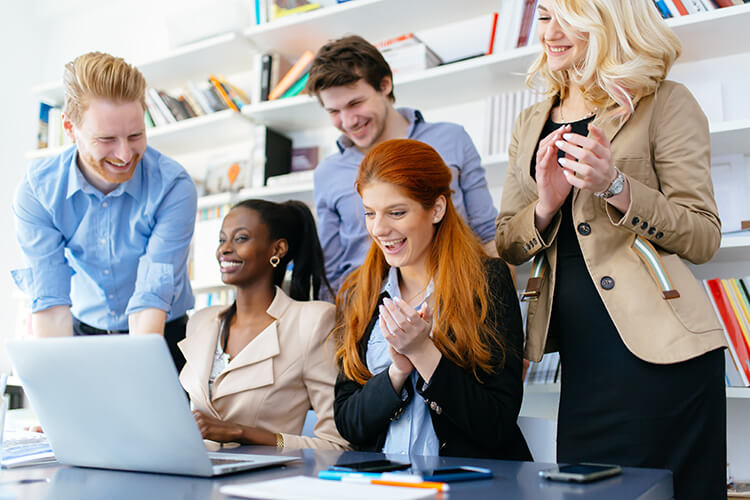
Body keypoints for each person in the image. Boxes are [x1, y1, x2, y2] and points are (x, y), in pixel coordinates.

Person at [494, 1, 726, 498]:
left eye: (566, 19)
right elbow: (508, 243)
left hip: (661, 358)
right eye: (543, 18)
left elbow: (703, 235)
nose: (549, 33)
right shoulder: (530, 121)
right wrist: (546, 205)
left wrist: (616, 185)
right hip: (579, 360)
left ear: (606, 22)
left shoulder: (664, 101)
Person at [333, 138, 531, 461]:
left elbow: (496, 423)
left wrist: (424, 353)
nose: (379, 229)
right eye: (370, 213)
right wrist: (396, 374)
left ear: (437, 209)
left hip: (467, 488)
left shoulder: (487, 281)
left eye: (396, 212)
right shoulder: (362, 290)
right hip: (383, 489)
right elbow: (348, 423)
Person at [12, 52, 196, 371]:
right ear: (70, 128)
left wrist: (142, 385)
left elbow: (152, 297)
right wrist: (59, 400)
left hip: (162, 331)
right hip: (84, 332)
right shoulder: (38, 192)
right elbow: (52, 304)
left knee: (160, 418)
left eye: (136, 135)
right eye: (106, 139)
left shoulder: (173, 186)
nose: (125, 154)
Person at [306, 35, 499, 299]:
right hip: (366, 311)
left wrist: (500, 309)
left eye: (355, 103)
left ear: (385, 84)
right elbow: (331, 272)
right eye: (333, 112)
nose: (348, 121)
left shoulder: (451, 139)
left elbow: (487, 235)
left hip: (456, 299)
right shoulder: (327, 173)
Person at [178, 199, 348, 451]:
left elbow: (336, 445)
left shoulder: (312, 322)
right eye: (222, 239)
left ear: (277, 249)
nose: (224, 249)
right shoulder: (201, 322)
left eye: (241, 238)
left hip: (263, 481)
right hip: (194, 473)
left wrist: (240, 432)